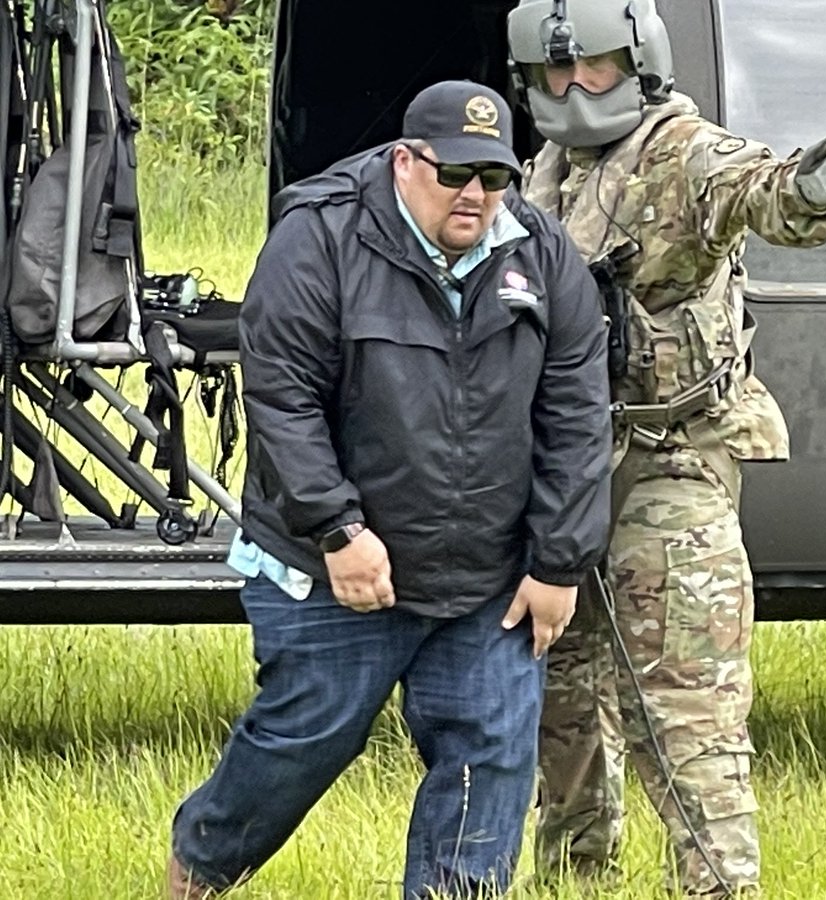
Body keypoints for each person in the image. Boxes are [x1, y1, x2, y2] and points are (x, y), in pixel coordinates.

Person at [166, 80, 612, 899]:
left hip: (487, 573)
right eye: (455, 176)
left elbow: (579, 416)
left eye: (495, 177)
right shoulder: (319, 239)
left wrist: (560, 562)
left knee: (488, 759)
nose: (476, 195)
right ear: (405, 161)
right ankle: (200, 867)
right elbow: (281, 396)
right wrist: (338, 530)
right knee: (302, 743)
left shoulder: (544, 256)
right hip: (335, 563)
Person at [507, 2, 826, 895]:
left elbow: (752, 190)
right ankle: (575, 877)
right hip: (564, 474)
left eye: (598, 64)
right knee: (562, 700)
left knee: (686, 708)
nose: (580, 84)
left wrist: (804, 191)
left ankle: (716, 885)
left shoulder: (680, 148)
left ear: (640, 60)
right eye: (560, 71)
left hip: (672, 461)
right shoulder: (538, 174)